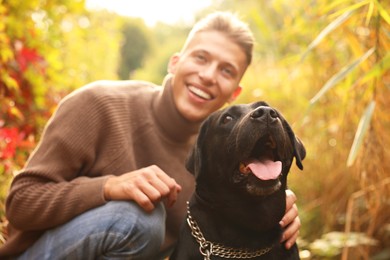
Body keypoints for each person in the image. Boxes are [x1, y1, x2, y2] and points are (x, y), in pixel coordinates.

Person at [0, 11, 300, 259]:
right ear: (175, 62)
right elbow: (20, 203)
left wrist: (273, 203)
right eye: (200, 58)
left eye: (226, 71)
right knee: (137, 219)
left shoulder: (215, 160)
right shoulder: (98, 104)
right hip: (38, 253)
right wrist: (107, 187)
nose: (208, 75)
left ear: (233, 93)